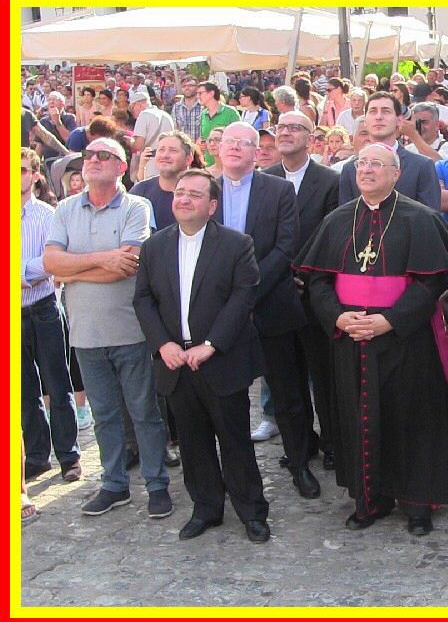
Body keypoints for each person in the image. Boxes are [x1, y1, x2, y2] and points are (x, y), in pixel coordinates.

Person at [296, 143, 448, 535]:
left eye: (376, 164)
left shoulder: (420, 218)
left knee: (411, 418)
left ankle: (417, 503)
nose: (366, 170)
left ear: (396, 173)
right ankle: (370, 499)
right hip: (350, 338)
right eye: (361, 163)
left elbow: (432, 281)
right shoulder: (337, 220)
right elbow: (318, 281)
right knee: (357, 419)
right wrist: (338, 317)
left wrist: (390, 321)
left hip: (406, 339)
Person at [133, 169, 270, 543]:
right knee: (193, 443)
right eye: (180, 193)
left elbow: (243, 296)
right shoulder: (154, 246)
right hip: (176, 362)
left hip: (221, 360)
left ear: (211, 206)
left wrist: (211, 344)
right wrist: (163, 345)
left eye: (194, 195)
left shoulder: (236, 244)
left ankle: (252, 511)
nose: (184, 199)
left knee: (235, 440)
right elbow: (143, 299)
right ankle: (206, 508)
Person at [43, 138, 171, 518]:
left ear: (121, 166)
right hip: (85, 334)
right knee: (104, 416)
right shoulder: (65, 208)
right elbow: (50, 263)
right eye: (89, 155)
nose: (93, 160)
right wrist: (101, 261)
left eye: (104, 155)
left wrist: (73, 269)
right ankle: (114, 484)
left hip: (130, 331)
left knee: (144, 413)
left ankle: (157, 484)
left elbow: (128, 265)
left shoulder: (136, 206)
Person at [216, 122, 318, 500]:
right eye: (229, 142)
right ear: (218, 148)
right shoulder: (205, 189)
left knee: (288, 394)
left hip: (271, 305)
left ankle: (300, 463)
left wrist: (247, 293)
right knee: (227, 398)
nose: (235, 148)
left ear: (257, 151)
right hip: (218, 313)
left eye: (244, 143)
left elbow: (285, 246)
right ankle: (235, 475)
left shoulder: (279, 190)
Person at [259, 111, 340, 469]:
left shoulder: (330, 180)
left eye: (296, 127)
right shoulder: (264, 179)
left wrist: (304, 273)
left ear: (312, 137)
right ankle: (300, 444)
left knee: (324, 376)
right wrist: (278, 276)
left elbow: (333, 234)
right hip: (275, 293)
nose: (286, 133)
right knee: (285, 378)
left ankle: (334, 442)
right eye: (282, 127)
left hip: (315, 292)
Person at [21, 147, 81, 482]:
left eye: (22, 170)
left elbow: (52, 262)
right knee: (23, 390)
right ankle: (36, 455)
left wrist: (19, 272)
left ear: (35, 175)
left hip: (43, 308)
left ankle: (68, 455)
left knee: (58, 385)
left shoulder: (47, 215)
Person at [338, 92, 441, 210]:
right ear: (365, 121)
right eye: (373, 111)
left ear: (399, 120)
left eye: (386, 111)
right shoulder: (350, 169)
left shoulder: (421, 166)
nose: (378, 117)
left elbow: (430, 216)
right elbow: (346, 216)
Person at [128, 90, 175, 180]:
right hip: (167, 162)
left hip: (149, 163)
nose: (133, 114)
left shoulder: (143, 115)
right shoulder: (167, 115)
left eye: (132, 109)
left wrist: (128, 142)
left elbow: (138, 145)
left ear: (139, 105)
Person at [198, 81, 240, 167]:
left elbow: (239, 137)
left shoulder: (230, 112)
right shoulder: (203, 114)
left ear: (211, 93)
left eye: (200, 93)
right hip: (208, 164)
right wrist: (201, 144)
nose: (198, 96)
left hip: (227, 164)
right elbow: (202, 137)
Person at [172, 77, 202, 142]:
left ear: (197, 87)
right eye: (184, 86)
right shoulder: (176, 107)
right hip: (183, 146)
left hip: (200, 146)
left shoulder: (203, 106)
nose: (187, 88)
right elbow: (175, 129)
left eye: (190, 85)